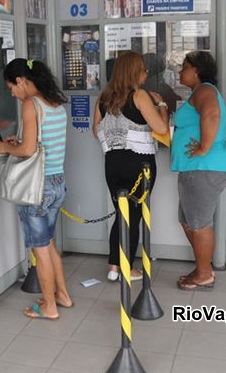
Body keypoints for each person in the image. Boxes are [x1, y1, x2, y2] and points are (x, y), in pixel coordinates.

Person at [0, 58, 73, 319]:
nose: (12, 93)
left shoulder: (30, 103)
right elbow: (41, 142)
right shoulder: (55, 103)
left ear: (21, 81)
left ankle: (48, 306)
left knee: (40, 249)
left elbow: (28, 151)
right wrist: (20, 140)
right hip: (57, 182)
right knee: (48, 244)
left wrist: (6, 147)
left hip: (37, 188)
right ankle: (62, 295)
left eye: (11, 87)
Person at [92, 51, 169, 282]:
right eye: (144, 69)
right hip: (139, 164)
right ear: (135, 72)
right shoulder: (140, 96)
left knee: (121, 214)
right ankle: (127, 268)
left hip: (112, 164)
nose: (146, 73)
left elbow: (96, 132)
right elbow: (162, 129)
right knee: (133, 215)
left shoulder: (103, 97)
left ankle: (114, 266)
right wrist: (162, 104)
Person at [173, 51, 226, 291]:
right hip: (195, 168)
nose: (180, 71)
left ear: (196, 70)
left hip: (204, 168)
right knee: (188, 220)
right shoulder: (198, 92)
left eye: (184, 67)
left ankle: (205, 273)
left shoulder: (204, 90)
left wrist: (204, 146)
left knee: (199, 223)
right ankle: (202, 267)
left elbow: (211, 113)